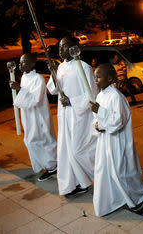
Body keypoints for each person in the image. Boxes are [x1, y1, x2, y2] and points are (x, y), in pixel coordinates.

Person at [89, 64, 143, 216]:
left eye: (98, 76)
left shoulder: (116, 96)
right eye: (95, 76)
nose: (95, 80)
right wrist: (97, 124)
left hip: (118, 142)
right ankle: (115, 199)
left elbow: (118, 121)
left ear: (110, 78)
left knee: (122, 172)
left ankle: (139, 197)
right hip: (105, 141)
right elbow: (96, 120)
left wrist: (100, 112)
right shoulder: (100, 95)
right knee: (105, 170)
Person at [47, 36, 97, 196]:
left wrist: (71, 101)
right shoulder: (60, 67)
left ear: (74, 48)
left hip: (80, 117)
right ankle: (75, 183)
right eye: (59, 47)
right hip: (65, 116)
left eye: (64, 47)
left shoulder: (84, 67)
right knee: (66, 151)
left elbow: (92, 95)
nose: (60, 50)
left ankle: (100, 174)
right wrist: (53, 73)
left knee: (78, 151)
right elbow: (53, 90)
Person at [9, 53, 57, 182]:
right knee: (31, 141)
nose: (20, 65)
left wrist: (19, 88)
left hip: (38, 116)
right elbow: (24, 97)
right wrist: (19, 88)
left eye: (24, 62)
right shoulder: (24, 77)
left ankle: (52, 166)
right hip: (28, 115)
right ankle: (47, 164)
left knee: (42, 140)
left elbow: (35, 99)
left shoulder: (38, 78)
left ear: (32, 64)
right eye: (20, 62)